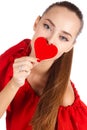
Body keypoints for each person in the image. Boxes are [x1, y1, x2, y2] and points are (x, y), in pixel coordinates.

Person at [0, 1, 87, 130]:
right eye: (47, 26)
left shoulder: (64, 99)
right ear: (36, 23)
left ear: (69, 47)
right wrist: (14, 83)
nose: (50, 40)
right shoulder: (17, 54)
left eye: (63, 38)